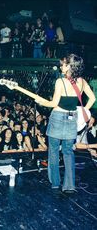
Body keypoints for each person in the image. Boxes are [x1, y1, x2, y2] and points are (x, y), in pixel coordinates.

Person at [35, 54, 96, 193]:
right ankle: (69, 186)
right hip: (71, 119)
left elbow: (53, 103)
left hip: (57, 118)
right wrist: (84, 110)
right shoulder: (81, 81)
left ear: (69, 66)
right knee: (68, 152)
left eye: (63, 64)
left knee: (54, 152)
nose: (61, 66)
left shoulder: (60, 82)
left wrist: (41, 101)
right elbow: (92, 98)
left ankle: (55, 183)